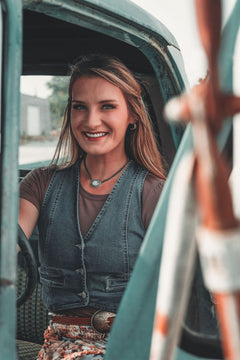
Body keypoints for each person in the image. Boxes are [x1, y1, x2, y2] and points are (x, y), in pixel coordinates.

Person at [18, 54, 166, 360]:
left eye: (107, 106)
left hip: (134, 346)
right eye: (79, 107)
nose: (91, 121)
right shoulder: (40, 184)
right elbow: (10, 243)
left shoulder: (153, 190)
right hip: (63, 345)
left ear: (133, 115)